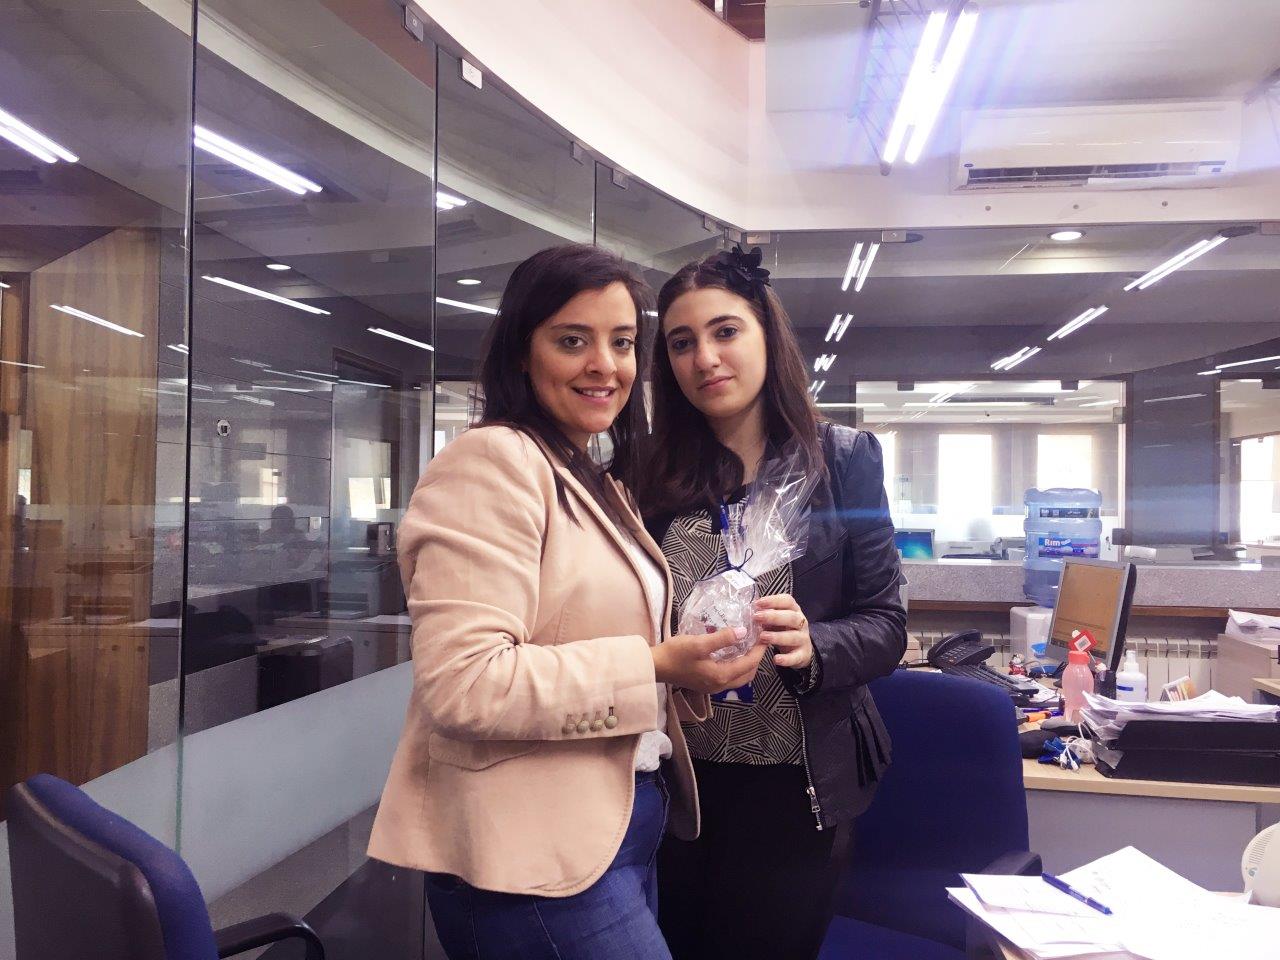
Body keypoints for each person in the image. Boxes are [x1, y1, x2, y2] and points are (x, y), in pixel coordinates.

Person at [367, 244, 766, 960]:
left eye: (622, 343)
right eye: (573, 341)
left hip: (611, 828)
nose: (605, 366)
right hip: (529, 856)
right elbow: (467, 684)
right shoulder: (491, 463)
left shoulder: (588, 476)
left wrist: (687, 668)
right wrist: (655, 665)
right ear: (523, 353)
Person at [641, 245, 908, 960]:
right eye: (682, 343)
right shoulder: (647, 474)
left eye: (725, 331)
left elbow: (886, 624)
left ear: (767, 336)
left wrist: (816, 643)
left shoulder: (841, 461)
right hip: (676, 780)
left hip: (796, 789)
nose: (705, 358)